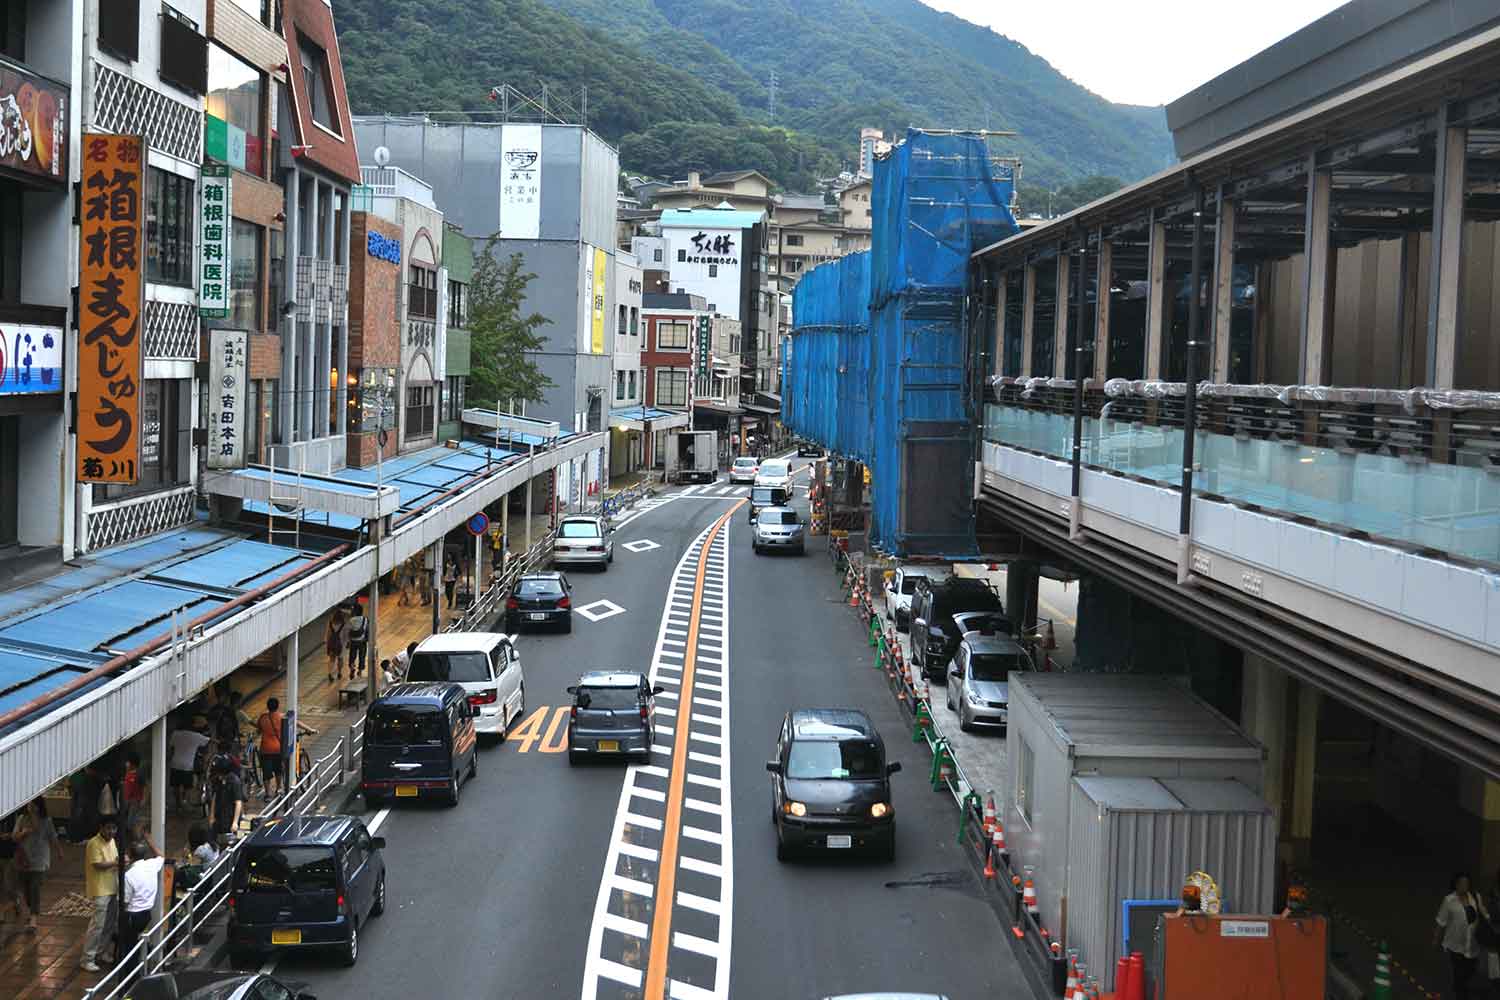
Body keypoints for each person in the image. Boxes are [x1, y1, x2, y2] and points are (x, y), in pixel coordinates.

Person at [1436, 871, 1489, 1000]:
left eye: (1466, 883)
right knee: (1459, 974)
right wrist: (1436, 938)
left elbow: (1483, 912)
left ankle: (1459, 986)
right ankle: (1461, 993)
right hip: (1455, 945)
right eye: (1460, 883)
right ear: (1455, 884)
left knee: (1470, 970)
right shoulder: (1449, 900)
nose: (1463, 886)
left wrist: (1489, 919)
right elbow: (1441, 921)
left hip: (1472, 944)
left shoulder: (1475, 897)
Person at [12, 798, 58, 933]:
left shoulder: (46, 821)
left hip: (40, 860)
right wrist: (23, 833)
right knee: (26, 890)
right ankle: (32, 910)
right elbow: (14, 837)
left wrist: (59, 851)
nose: (29, 806)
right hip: (24, 860)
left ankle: (33, 918)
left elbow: (53, 837)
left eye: (32, 804)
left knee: (34, 888)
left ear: (38, 806)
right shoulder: (21, 818)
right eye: (28, 804)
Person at [79, 816, 119, 972]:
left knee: (109, 924)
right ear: (101, 827)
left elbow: (114, 859)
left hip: (113, 888)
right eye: (108, 828)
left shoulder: (112, 841)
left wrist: (120, 861)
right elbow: (97, 865)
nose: (111, 832)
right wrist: (117, 863)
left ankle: (101, 952)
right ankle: (87, 958)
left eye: (114, 829)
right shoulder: (93, 843)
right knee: (97, 925)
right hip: (100, 889)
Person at [118, 839, 165, 966]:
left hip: (133, 915)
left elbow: (125, 901)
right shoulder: (151, 865)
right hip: (146, 914)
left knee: (129, 947)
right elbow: (161, 856)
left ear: (130, 856)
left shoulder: (129, 875)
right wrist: (149, 839)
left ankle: (130, 974)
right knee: (135, 942)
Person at [168, 721, 210, 814]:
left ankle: (178, 803)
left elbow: (171, 748)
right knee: (187, 786)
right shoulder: (196, 736)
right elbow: (209, 741)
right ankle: (184, 800)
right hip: (188, 766)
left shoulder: (175, 734)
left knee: (175, 785)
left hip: (175, 764)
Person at [207, 756, 244, 846]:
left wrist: (235, 822)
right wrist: (211, 815)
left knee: (229, 841)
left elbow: (238, 802)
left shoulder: (235, 782)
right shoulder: (218, 780)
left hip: (230, 815)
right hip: (219, 814)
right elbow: (215, 796)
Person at [256, 699, 285, 798]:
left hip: (265, 749)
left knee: (266, 772)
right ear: (278, 706)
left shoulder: (263, 717)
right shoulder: (281, 717)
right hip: (278, 749)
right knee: (278, 770)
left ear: (267, 706)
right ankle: (278, 789)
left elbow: (259, 729)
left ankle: (268, 793)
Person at [120, 752, 146, 839]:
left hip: (135, 801)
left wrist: (143, 799)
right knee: (128, 820)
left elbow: (146, 787)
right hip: (127, 801)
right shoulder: (126, 773)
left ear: (133, 764)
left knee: (131, 821)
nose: (126, 764)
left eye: (128, 762)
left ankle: (136, 838)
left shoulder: (139, 775)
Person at [346, 603, 370, 677]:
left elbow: (348, 631)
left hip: (353, 641)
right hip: (362, 641)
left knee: (352, 656)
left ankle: (352, 667)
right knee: (362, 656)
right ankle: (360, 671)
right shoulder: (365, 619)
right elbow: (367, 630)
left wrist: (348, 641)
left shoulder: (351, 620)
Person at [325, 606, 347, 683]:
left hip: (332, 644)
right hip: (340, 644)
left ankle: (330, 673)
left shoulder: (330, 623)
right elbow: (345, 635)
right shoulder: (343, 624)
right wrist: (347, 643)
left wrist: (327, 643)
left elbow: (328, 634)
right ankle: (339, 672)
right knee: (340, 659)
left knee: (331, 659)